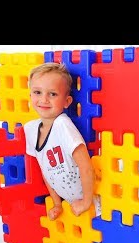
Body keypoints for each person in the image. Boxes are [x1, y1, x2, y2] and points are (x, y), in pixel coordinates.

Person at [24, 62, 97, 220]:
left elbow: (85, 167)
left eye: (53, 94)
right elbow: (46, 170)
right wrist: (57, 203)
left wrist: (86, 201)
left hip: (94, 203)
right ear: (30, 96)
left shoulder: (63, 125)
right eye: (37, 92)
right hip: (70, 204)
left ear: (66, 101)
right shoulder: (30, 130)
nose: (44, 99)